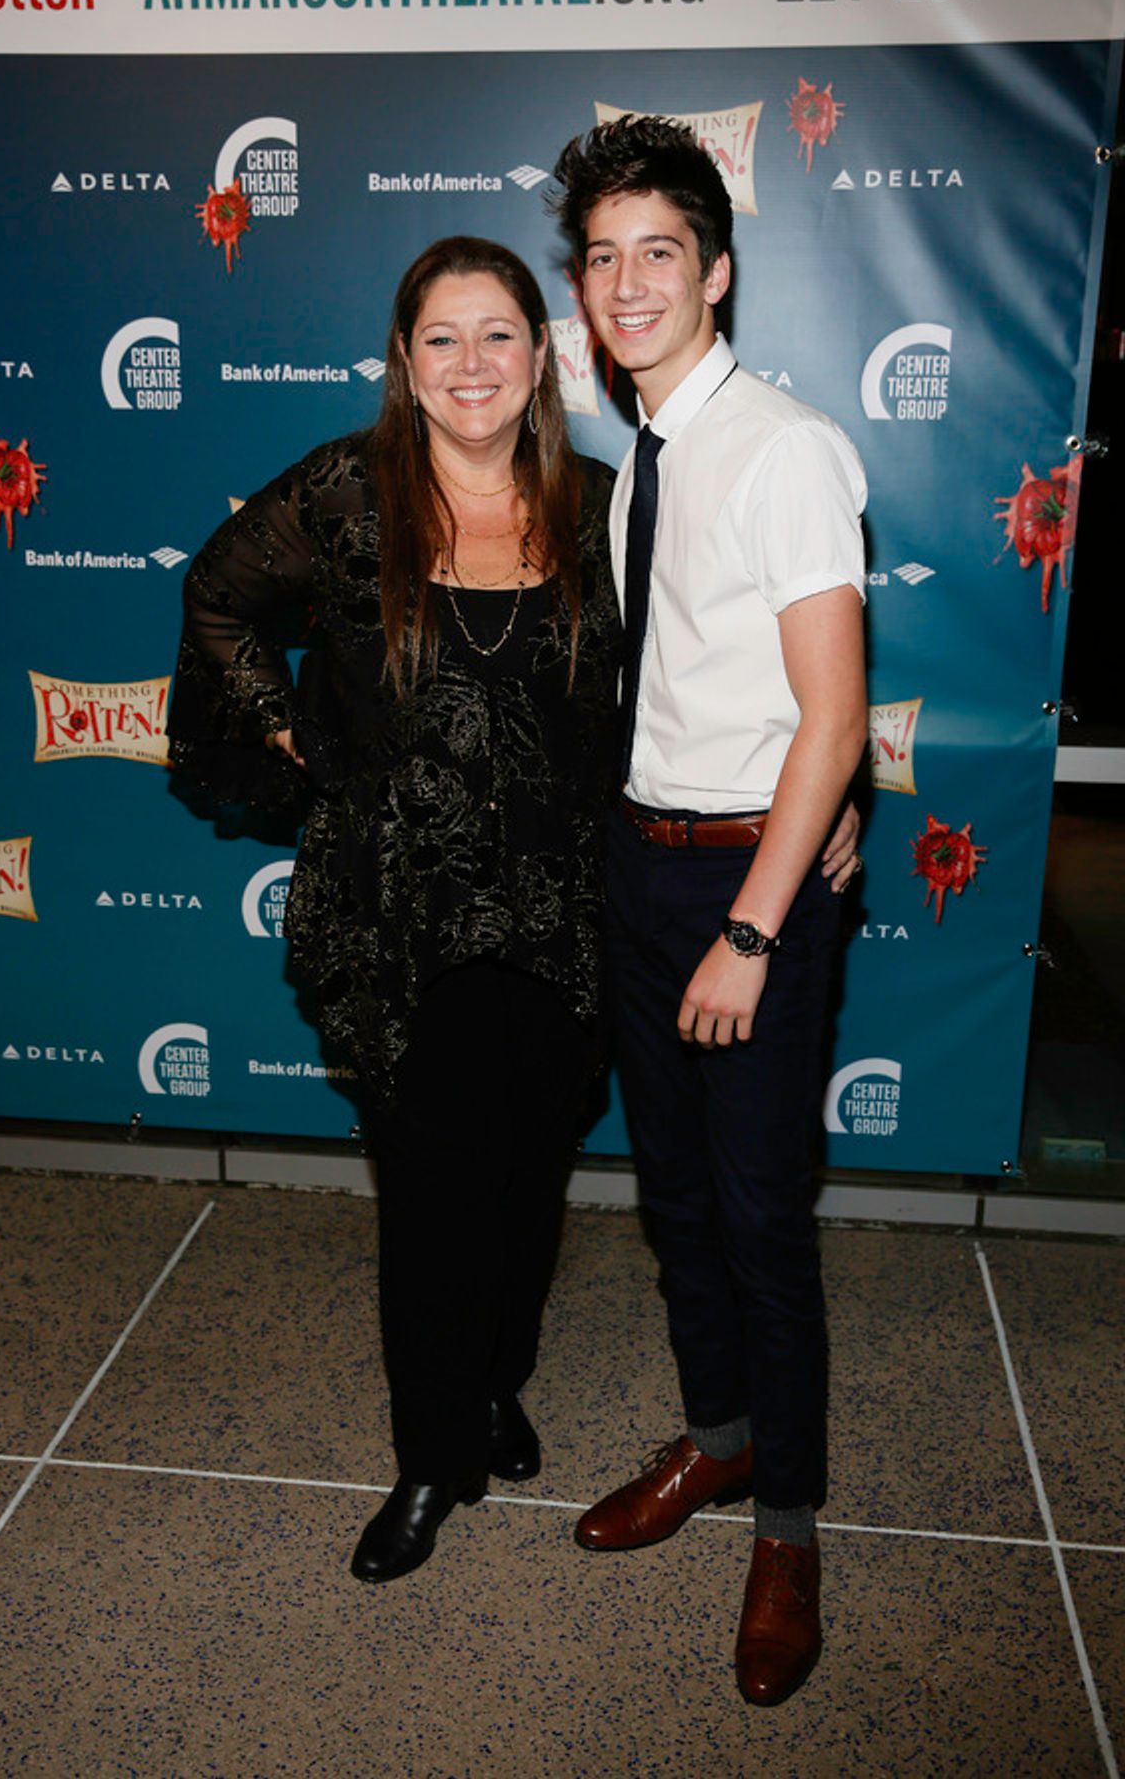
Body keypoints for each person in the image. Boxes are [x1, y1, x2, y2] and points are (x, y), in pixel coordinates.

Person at [170, 235, 623, 1583]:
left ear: (543, 360)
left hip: (561, 914)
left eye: (500, 335)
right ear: (404, 365)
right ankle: (432, 1455)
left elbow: (701, 675)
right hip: (399, 918)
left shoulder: (605, 508)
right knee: (431, 1202)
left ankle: (497, 1386)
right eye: (443, 337)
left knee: (531, 1180)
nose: (472, 362)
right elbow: (216, 597)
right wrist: (289, 733)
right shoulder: (344, 495)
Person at [550, 116, 868, 1706]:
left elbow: (829, 714)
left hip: (748, 879)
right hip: (644, 862)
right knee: (673, 1203)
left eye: (656, 252)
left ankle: (792, 1531)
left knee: (759, 1224)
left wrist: (752, 925)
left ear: (717, 271)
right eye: (600, 257)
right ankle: (724, 1448)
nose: (624, 283)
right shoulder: (643, 467)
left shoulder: (789, 448)